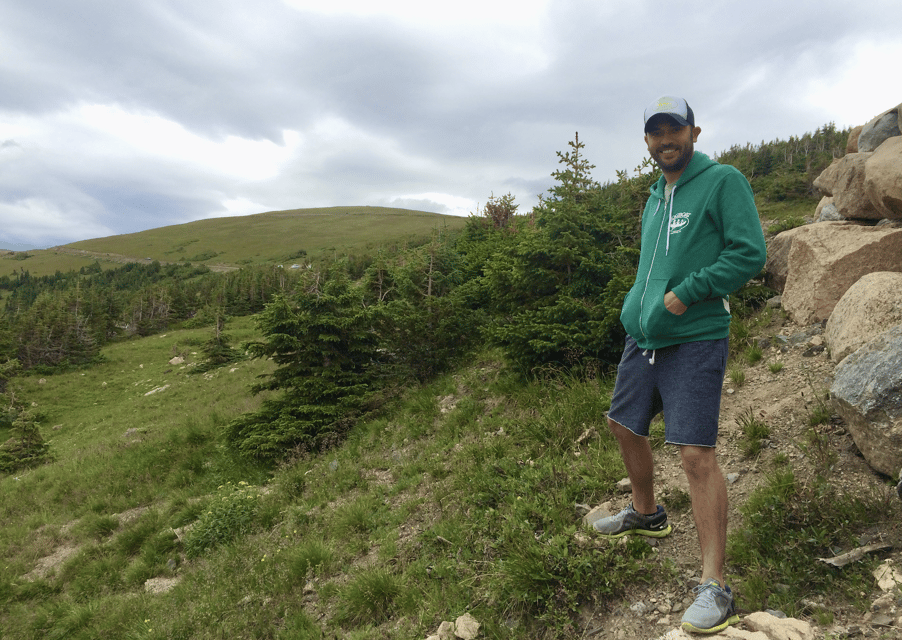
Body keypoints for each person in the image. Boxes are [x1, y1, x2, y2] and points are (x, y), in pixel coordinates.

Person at [592, 96, 767, 634]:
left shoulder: (722, 181)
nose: (665, 140)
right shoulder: (654, 196)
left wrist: (686, 294)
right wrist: (634, 306)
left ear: (693, 131)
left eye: (674, 130)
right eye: (655, 133)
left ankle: (714, 584)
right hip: (642, 334)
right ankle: (647, 514)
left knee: (696, 455)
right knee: (623, 425)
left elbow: (749, 253)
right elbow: (651, 265)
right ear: (647, 142)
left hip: (695, 335)